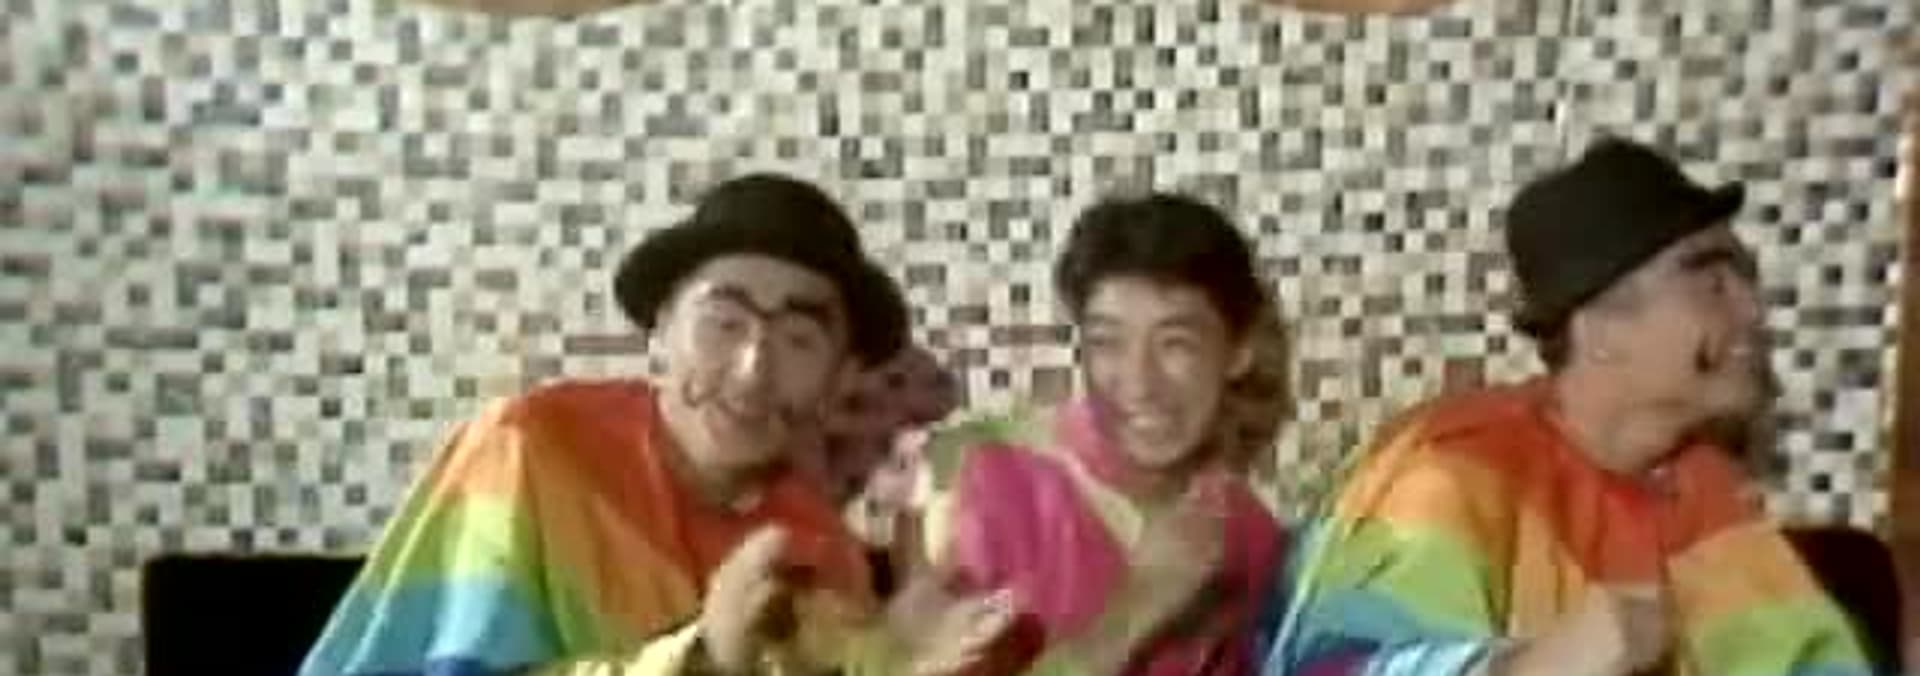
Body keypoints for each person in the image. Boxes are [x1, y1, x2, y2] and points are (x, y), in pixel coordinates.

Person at [300, 174, 1015, 675]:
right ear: (660, 334)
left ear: (839, 380)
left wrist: (910, 658)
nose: (752, 370)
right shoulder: (531, 450)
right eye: (723, 323)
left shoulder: (818, 546)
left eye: (799, 340)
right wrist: (704, 657)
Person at [1264, 138, 1873, 675]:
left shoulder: (1704, 493)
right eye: (1712, 284)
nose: (1753, 310)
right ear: (1599, 329)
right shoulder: (1449, 474)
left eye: (1746, 280)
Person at [918, 192, 1290, 675]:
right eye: (1107, 343)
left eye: (1176, 344)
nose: (1139, 384)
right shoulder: (983, 488)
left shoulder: (1249, 535)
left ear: (1240, 351)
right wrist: (1136, 608)